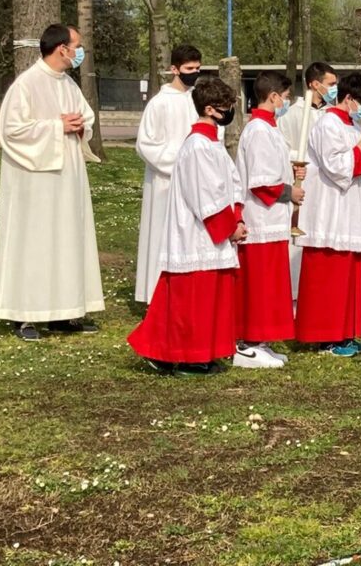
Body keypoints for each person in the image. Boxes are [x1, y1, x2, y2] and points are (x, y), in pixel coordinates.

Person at [127, 76, 246, 374]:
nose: (229, 112)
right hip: (196, 234)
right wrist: (228, 226)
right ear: (209, 109)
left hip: (211, 236)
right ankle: (187, 356)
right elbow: (205, 195)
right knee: (191, 302)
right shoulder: (197, 146)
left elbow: (231, 183)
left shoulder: (211, 143)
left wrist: (238, 216)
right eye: (225, 107)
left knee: (207, 301)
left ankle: (200, 353)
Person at [0, 24, 104, 341]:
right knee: (35, 244)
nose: (80, 52)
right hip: (34, 182)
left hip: (67, 180)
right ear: (61, 49)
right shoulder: (26, 85)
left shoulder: (68, 85)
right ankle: (25, 315)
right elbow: (12, 131)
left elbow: (85, 119)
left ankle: (64, 312)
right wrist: (56, 127)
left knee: (67, 241)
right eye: (76, 46)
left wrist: (81, 126)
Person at [296, 71, 361, 355]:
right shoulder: (327, 124)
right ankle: (325, 336)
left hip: (350, 209)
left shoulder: (354, 127)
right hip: (329, 210)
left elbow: (355, 165)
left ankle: (344, 332)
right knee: (329, 276)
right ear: (349, 99)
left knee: (348, 276)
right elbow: (335, 167)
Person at [233, 71, 304, 369]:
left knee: (271, 284)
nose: (286, 102)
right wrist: (291, 192)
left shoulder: (269, 128)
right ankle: (249, 340)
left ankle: (262, 339)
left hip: (273, 221)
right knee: (260, 284)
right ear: (273, 96)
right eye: (285, 98)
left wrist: (290, 172)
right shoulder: (259, 130)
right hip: (261, 219)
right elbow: (261, 182)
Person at [134, 44, 203, 305]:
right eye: (188, 69)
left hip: (194, 181)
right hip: (165, 181)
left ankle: (185, 294)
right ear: (174, 69)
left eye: (197, 68)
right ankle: (156, 295)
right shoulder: (159, 103)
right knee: (162, 235)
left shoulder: (198, 99)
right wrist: (180, 160)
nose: (193, 73)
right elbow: (146, 144)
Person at [278, 62, 337, 301]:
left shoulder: (331, 113)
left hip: (327, 185)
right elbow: (282, 148)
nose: (335, 88)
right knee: (299, 237)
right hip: (302, 182)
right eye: (331, 84)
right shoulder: (294, 113)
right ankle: (293, 293)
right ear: (315, 84)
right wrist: (297, 160)